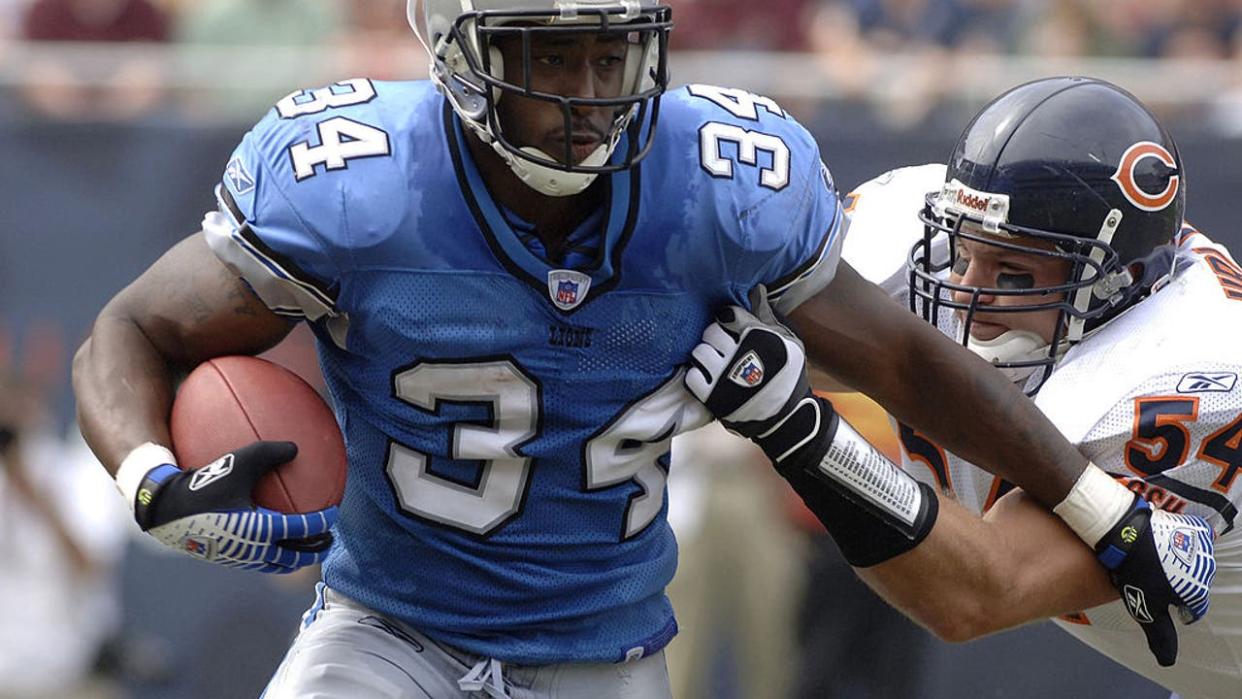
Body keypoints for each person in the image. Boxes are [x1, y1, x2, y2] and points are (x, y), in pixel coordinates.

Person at [70, 0, 1203, 692]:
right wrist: (149, 480)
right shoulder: (355, 185)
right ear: (459, 49)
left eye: (608, 53)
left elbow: (905, 361)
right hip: (387, 633)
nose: (585, 92)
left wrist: (1101, 509)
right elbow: (129, 330)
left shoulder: (720, 178)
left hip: (601, 655)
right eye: (547, 56)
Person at [686, 76, 1234, 697]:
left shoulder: (1197, 369)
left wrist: (801, 433)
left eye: (1015, 271)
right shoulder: (928, 224)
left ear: (1121, 282)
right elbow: (745, 325)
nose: (968, 291)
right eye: (964, 251)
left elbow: (976, 593)